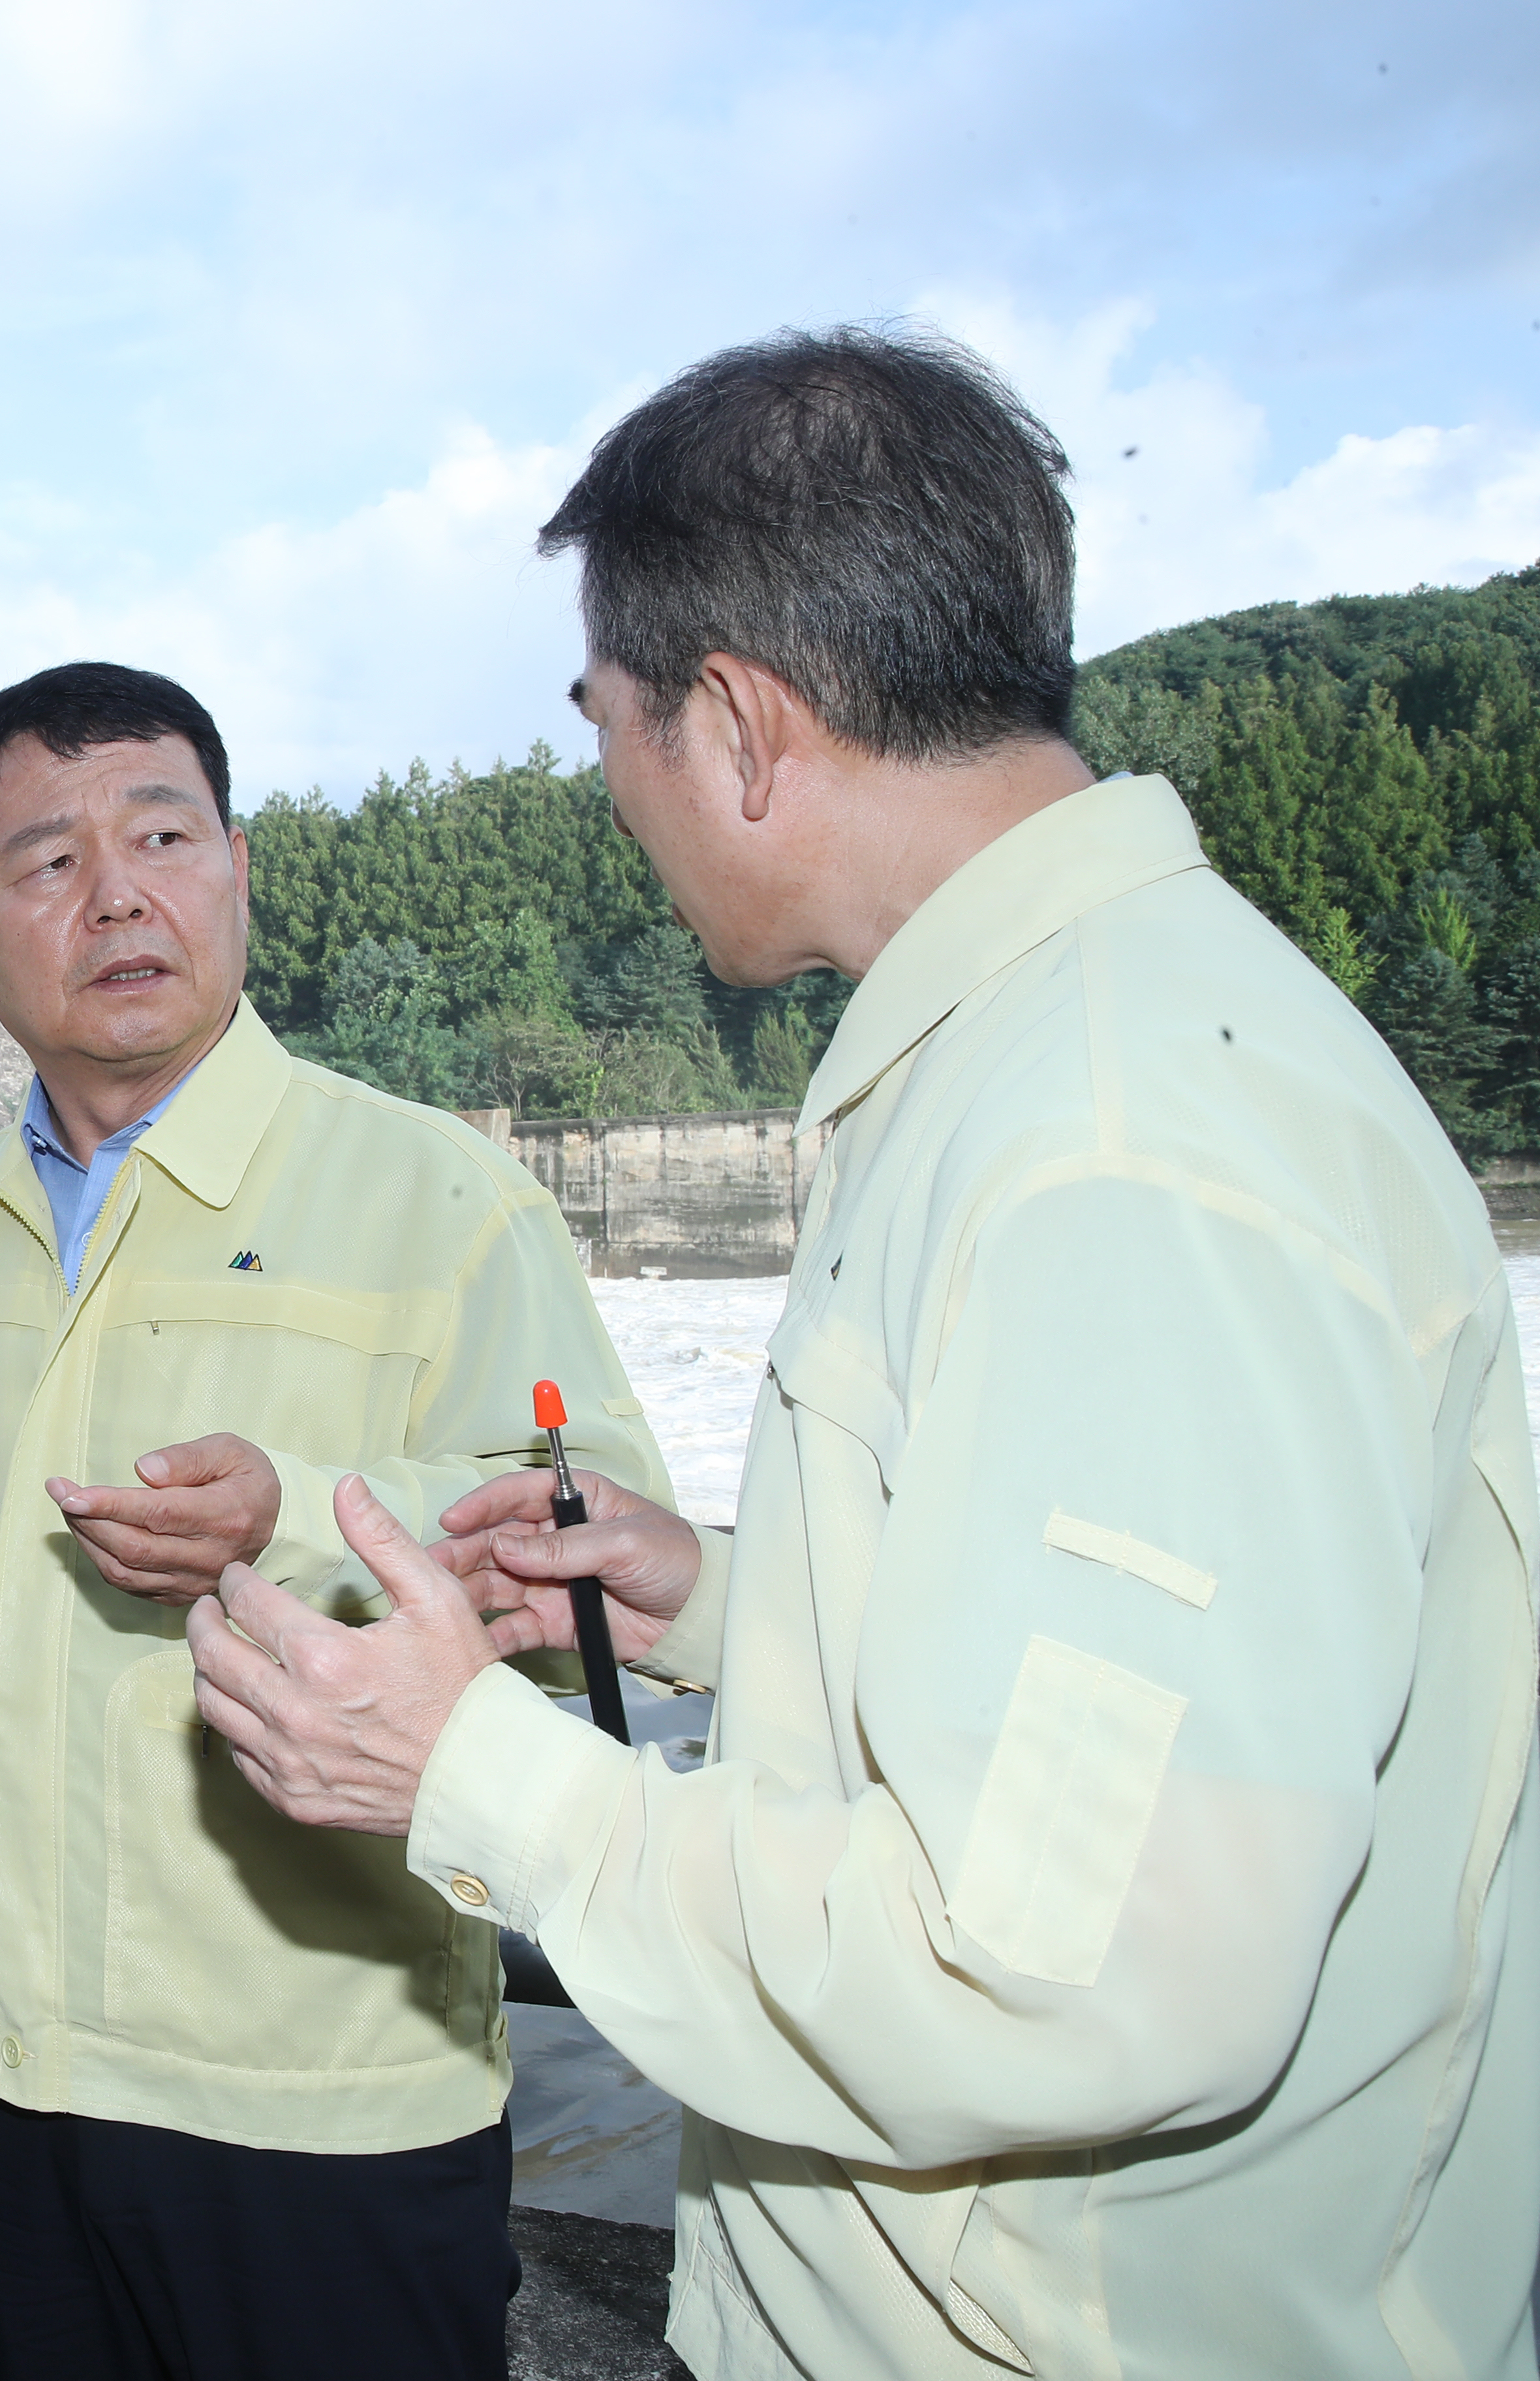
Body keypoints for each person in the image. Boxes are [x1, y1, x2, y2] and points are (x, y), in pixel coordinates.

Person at [188, 328, 1540, 2379]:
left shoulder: (1112, 1148)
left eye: (610, 723)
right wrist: (722, 1605)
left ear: (737, 724)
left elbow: (1069, 1975)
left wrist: (473, 1771)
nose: (612, 786)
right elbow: (1130, 1704)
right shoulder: (1061, 1052)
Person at [0, 661, 670, 2380]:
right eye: (48, 861)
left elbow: (601, 1541)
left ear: (236, 865)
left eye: (163, 835)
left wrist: (294, 1518)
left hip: (319, 2095)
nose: (120, 894)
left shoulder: (436, 1195)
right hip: (0, 2086)